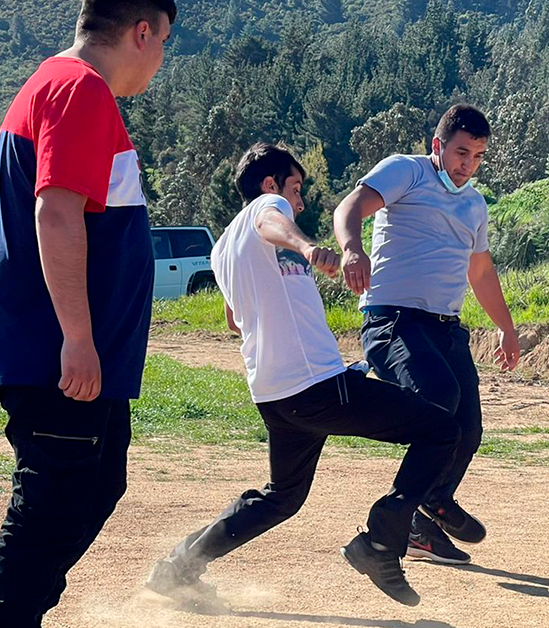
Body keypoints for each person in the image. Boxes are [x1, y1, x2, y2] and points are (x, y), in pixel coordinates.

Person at [145, 143, 460, 608]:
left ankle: (179, 567)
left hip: (275, 393)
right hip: (315, 385)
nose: (300, 200)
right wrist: (307, 247)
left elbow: (234, 320)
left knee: (282, 498)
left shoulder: (221, 248)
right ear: (270, 184)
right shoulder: (266, 210)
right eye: (295, 188)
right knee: (441, 430)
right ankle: (380, 541)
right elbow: (271, 221)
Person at [0, 1, 175, 626]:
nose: (160, 58)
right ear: (142, 32)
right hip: (56, 350)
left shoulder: (65, 85)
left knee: (96, 484)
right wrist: (78, 338)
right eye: (164, 41)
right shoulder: (78, 88)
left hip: (79, 350)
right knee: (54, 497)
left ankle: (21, 611)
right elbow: (56, 214)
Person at [333, 104, 522, 566]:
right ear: (438, 145)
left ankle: (427, 513)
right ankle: (397, 520)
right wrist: (352, 249)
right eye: (461, 152)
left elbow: (481, 271)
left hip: (446, 330)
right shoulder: (407, 172)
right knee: (440, 397)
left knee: (467, 430)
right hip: (394, 321)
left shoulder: (474, 204)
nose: (468, 165)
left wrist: (506, 327)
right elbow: (350, 206)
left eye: (478, 156)